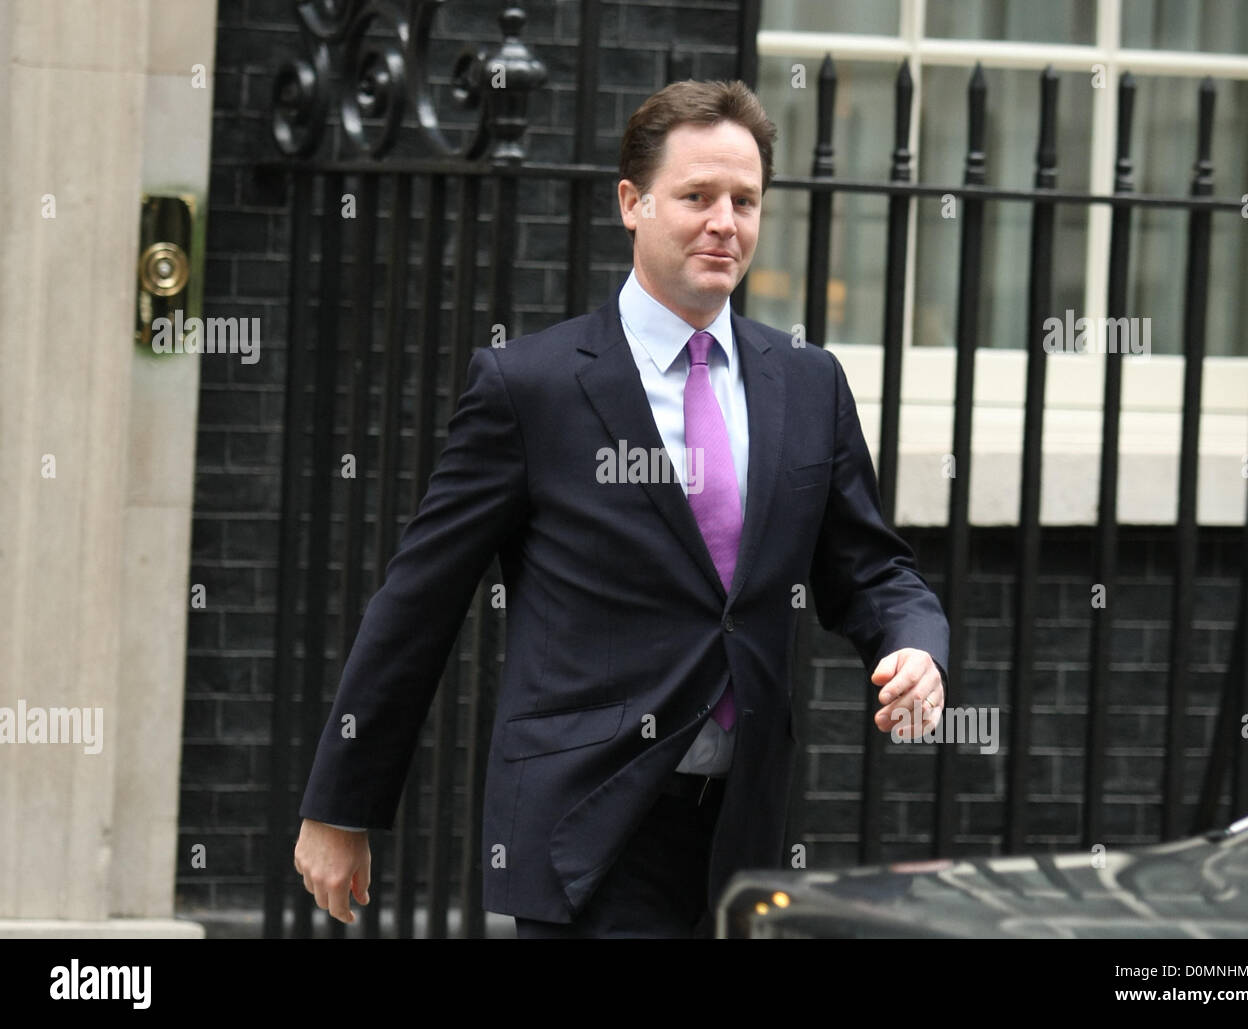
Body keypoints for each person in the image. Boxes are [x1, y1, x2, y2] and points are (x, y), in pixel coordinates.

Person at [293, 79, 949, 939]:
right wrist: (341, 805)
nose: (725, 222)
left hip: (741, 834)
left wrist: (914, 643)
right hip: (588, 831)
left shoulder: (807, 382)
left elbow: (869, 567)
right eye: (697, 197)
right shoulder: (531, 386)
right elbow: (418, 602)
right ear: (631, 203)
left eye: (745, 201)